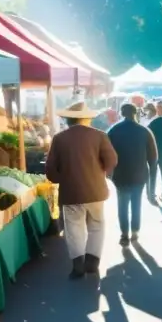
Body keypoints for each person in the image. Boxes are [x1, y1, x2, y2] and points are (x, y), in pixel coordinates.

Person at [45, 102, 117, 278]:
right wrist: (100, 172)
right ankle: (92, 262)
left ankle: (78, 264)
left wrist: (63, 178)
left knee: (74, 228)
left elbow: (50, 170)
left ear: (69, 120)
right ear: (86, 119)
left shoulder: (59, 138)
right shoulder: (100, 136)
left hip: (71, 193)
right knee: (97, 226)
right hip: (96, 191)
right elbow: (112, 160)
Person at [107, 104, 157, 246]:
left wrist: (108, 172)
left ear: (122, 113)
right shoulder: (144, 131)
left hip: (120, 174)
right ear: (136, 113)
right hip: (139, 174)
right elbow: (153, 157)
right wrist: (152, 176)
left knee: (122, 204)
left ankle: (124, 234)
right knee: (137, 203)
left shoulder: (113, 130)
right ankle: (135, 231)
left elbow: (106, 152)